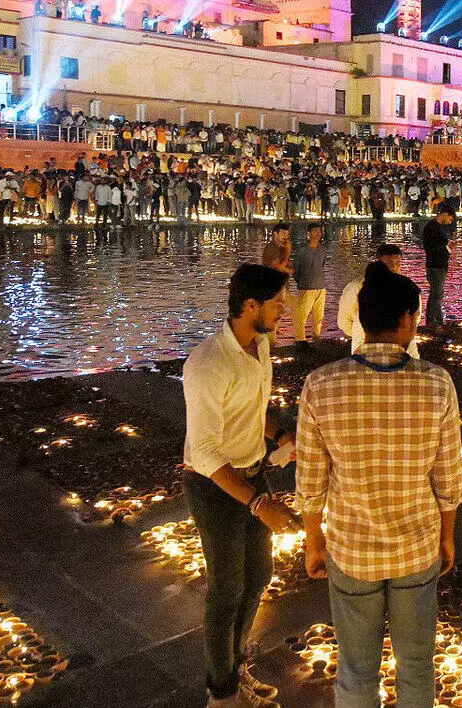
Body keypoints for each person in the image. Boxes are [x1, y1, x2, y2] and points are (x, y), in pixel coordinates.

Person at [297, 262, 462, 708]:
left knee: (355, 671)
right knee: (415, 665)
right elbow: (448, 479)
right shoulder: (437, 384)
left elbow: (311, 482)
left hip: (352, 552)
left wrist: (315, 542)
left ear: (360, 319)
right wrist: (447, 538)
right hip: (416, 549)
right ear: (409, 320)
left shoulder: (320, 386)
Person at [182, 264, 299, 707]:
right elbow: (207, 451)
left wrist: (279, 434)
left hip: (252, 474)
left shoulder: (259, 346)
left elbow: (250, 409)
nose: (283, 310)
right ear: (249, 306)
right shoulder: (208, 364)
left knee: (259, 576)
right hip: (215, 487)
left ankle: (235, 665)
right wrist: (258, 505)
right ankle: (222, 693)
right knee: (226, 589)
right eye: (276, 303)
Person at [338, 245, 421, 358]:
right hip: (366, 339)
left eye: (398, 262)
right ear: (379, 262)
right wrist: (364, 331)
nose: (394, 266)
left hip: (400, 338)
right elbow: (344, 319)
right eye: (390, 262)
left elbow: (416, 315)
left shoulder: (407, 287)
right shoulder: (357, 287)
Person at [292, 223, 328, 347]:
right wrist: (301, 283)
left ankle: (316, 337)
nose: (318, 233)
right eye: (315, 231)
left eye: (320, 231)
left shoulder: (323, 249)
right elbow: (296, 269)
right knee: (302, 315)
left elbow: (321, 265)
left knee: (319, 315)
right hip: (306, 286)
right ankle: (300, 339)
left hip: (321, 286)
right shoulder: (302, 250)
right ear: (309, 233)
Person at [261, 222, 293, 347]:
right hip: (273, 289)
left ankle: (272, 342)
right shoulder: (271, 249)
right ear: (275, 234)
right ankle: (270, 347)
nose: (286, 236)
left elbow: (288, 268)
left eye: (287, 234)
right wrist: (288, 253)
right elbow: (280, 267)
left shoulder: (281, 248)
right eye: (283, 233)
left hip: (282, 286)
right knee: (273, 317)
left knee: (283, 313)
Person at [421, 206, 453, 329]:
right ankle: (438, 322)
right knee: (437, 294)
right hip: (435, 266)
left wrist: (447, 244)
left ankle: (430, 320)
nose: (450, 222)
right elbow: (430, 248)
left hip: (438, 265)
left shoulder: (436, 227)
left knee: (434, 294)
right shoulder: (432, 228)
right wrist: (447, 247)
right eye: (450, 219)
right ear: (445, 214)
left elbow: (438, 244)